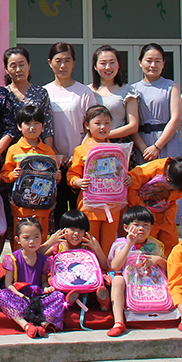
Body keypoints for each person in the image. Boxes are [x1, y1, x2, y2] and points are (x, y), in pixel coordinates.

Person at [45, 42, 98, 219]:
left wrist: (77, 154)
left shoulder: (84, 92)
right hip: (55, 161)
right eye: (58, 60)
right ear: (50, 63)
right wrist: (55, 154)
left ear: (74, 63)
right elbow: (43, 128)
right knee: (58, 208)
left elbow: (92, 126)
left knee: (81, 209)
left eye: (67, 60)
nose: (63, 65)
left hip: (81, 161)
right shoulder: (45, 92)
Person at [0, 217, 67, 338]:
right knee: (2, 295)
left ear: (42, 237)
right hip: (20, 295)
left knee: (59, 296)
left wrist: (47, 288)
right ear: (18, 240)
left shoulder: (44, 260)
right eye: (26, 238)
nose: (32, 242)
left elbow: (43, 282)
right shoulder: (12, 258)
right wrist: (20, 295)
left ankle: (43, 325)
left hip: (38, 295)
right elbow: (8, 284)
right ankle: (26, 325)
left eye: (36, 237)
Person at [67, 106, 125, 254]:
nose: (102, 127)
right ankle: (92, 267)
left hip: (112, 206)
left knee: (109, 244)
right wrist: (76, 182)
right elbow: (72, 174)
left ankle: (107, 268)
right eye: (98, 123)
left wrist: (128, 178)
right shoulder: (81, 150)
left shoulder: (116, 149)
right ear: (87, 125)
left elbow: (123, 172)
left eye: (107, 123)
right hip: (90, 206)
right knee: (89, 242)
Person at [103, 206, 164, 338]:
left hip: (148, 280)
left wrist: (158, 260)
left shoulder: (154, 245)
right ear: (126, 227)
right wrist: (129, 245)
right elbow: (115, 266)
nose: (141, 228)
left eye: (145, 225)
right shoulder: (120, 244)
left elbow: (167, 268)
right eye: (136, 225)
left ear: (151, 228)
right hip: (127, 280)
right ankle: (118, 322)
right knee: (118, 280)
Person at [0, 104, 59, 235]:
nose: (32, 128)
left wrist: (57, 177)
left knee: (41, 237)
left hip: (42, 206)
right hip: (21, 206)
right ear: (19, 126)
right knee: (21, 238)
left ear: (43, 126)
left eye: (36, 123)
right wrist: (13, 175)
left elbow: (53, 178)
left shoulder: (48, 151)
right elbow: (4, 174)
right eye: (28, 123)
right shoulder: (14, 149)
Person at [126, 156, 182, 254]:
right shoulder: (152, 169)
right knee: (148, 242)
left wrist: (169, 195)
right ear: (168, 179)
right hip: (147, 215)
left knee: (170, 241)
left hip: (166, 213)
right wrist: (142, 208)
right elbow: (131, 187)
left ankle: (170, 262)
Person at [131, 43, 182, 163]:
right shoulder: (132, 90)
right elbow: (131, 123)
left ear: (163, 64)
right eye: (149, 61)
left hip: (167, 142)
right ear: (140, 62)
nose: (153, 65)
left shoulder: (171, 86)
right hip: (142, 145)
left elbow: (175, 119)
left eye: (158, 61)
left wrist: (157, 147)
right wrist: (144, 149)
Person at [2, 47, 54, 146]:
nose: (18, 70)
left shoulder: (40, 93)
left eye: (22, 65)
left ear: (29, 65)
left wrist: (48, 152)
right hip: (9, 151)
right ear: (6, 69)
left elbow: (47, 127)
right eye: (13, 66)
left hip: (36, 150)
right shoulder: (2, 94)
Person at [89, 45, 139, 142]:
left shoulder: (128, 91)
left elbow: (133, 125)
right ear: (95, 66)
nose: (108, 67)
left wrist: (103, 135)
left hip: (118, 145)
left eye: (112, 62)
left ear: (118, 65)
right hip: (93, 144)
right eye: (103, 63)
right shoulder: (87, 91)